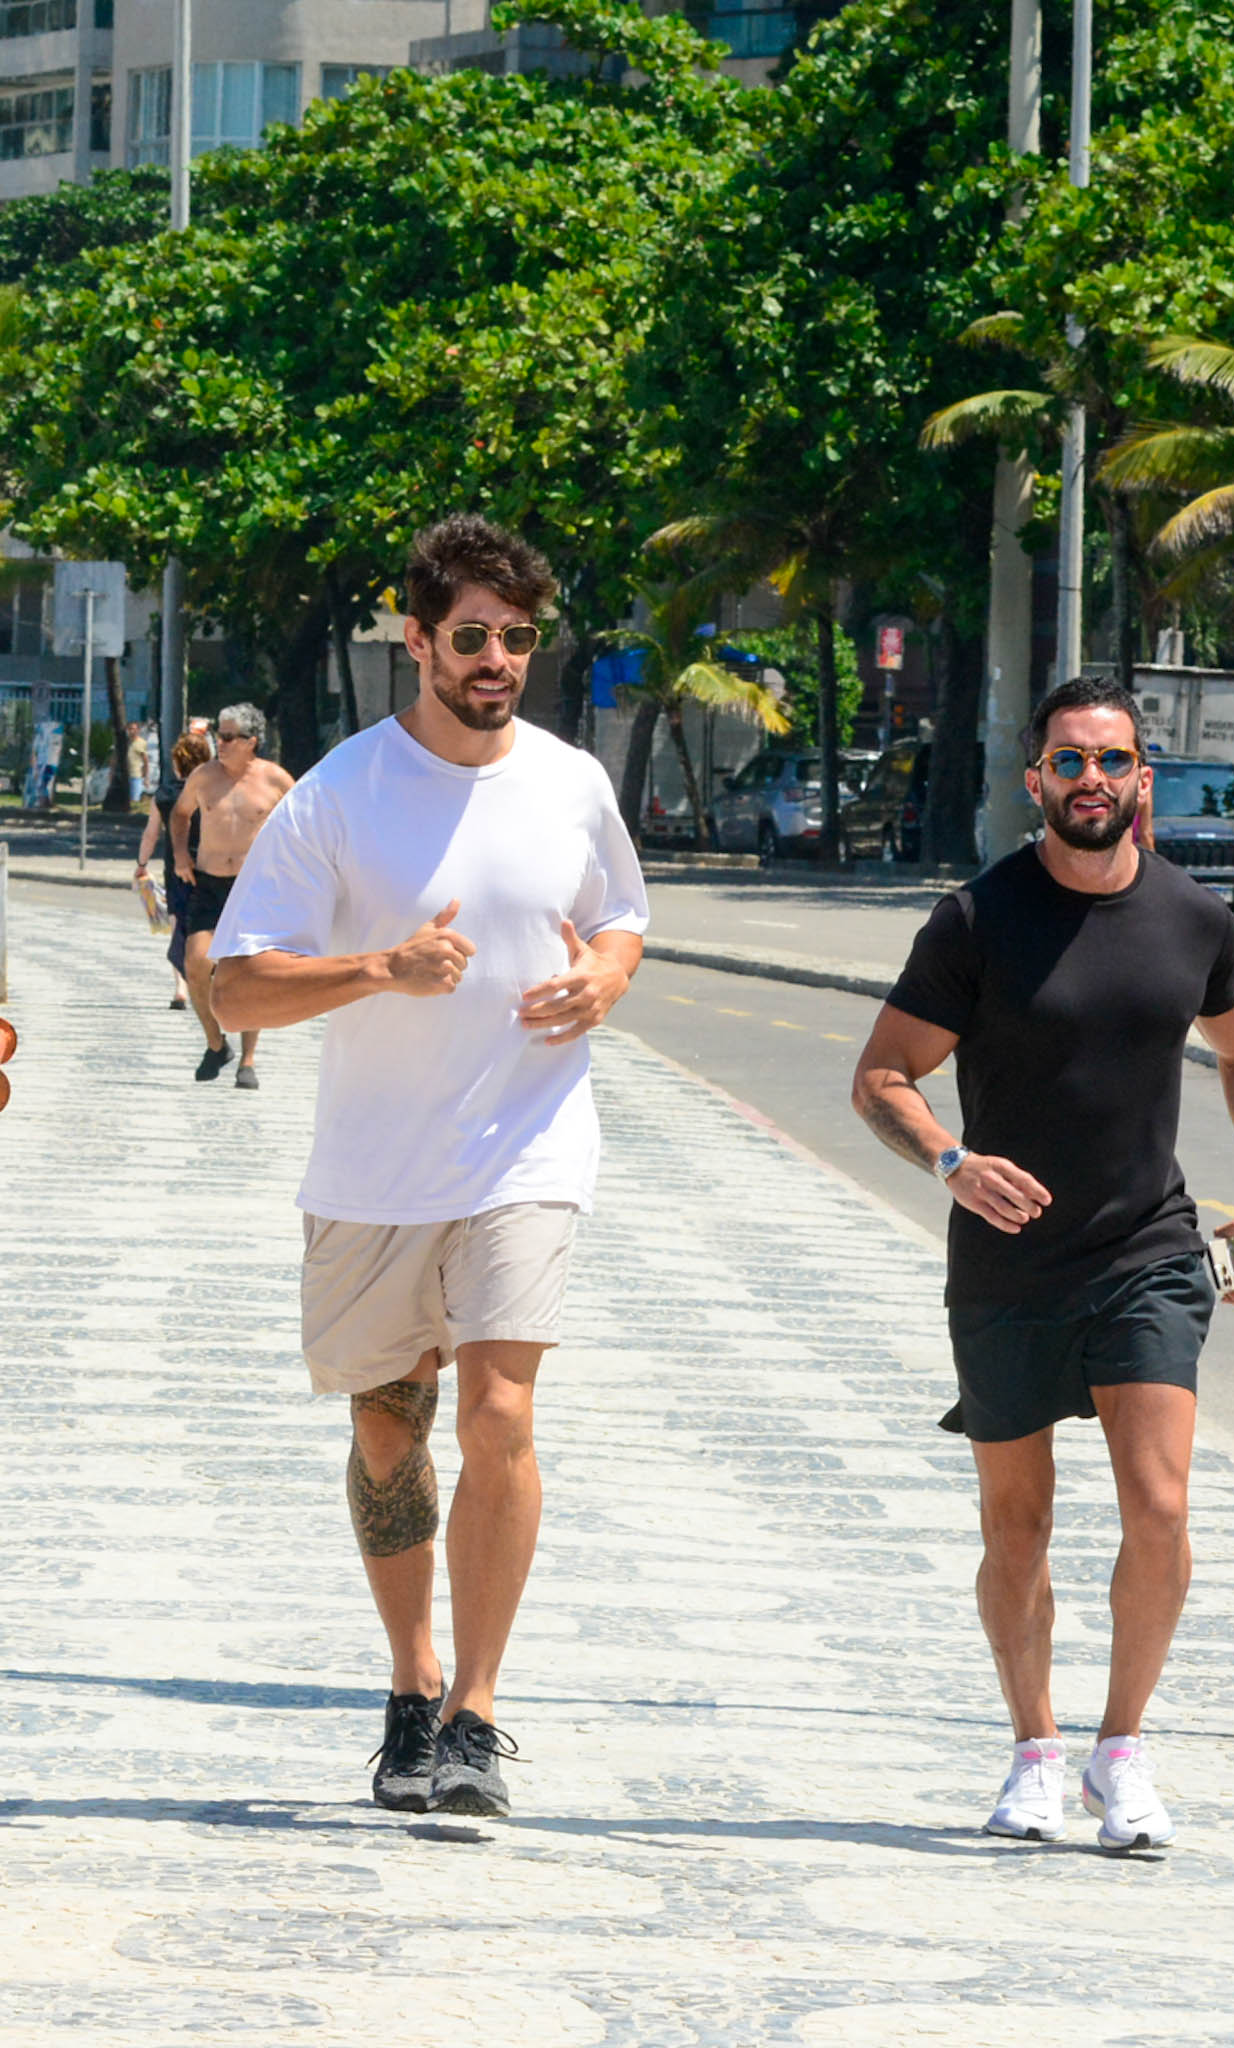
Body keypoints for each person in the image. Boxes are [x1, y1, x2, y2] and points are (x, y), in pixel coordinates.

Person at [208, 514, 648, 1818]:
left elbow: (622, 916)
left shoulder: (570, 782)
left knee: (502, 1412)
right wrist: (377, 969)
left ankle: (476, 1714)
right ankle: (412, 1684)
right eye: (472, 636)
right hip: (373, 1172)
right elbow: (233, 988)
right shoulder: (342, 791)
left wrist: (604, 978)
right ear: (417, 640)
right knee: (387, 1434)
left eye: (520, 637)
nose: (498, 659)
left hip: (531, 1147)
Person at [851, 677, 1234, 1853]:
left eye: (1109, 760)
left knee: (1158, 1505)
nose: (1088, 779)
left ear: (1139, 778)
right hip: (1004, 1260)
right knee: (1017, 1525)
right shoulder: (974, 919)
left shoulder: (1193, 917)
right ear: (1034, 779)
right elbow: (882, 1074)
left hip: (1146, 1248)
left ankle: (1121, 1748)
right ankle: (1034, 1749)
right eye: (1066, 761)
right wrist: (950, 1159)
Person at [170, 703, 294, 1088]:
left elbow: (305, 820)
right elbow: (179, 815)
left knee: (250, 973)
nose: (218, 744)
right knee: (195, 963)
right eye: (216, 736)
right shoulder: (203, 777)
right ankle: (215, 1042)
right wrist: (179, 854)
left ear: (250, 741)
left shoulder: (275, 780)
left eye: (226, 737)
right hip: (208, 882)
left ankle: (249, 1060)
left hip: (253, 887)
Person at [134, 730, 213, 1009]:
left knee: (178, 921)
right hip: (209, 867)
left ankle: (180, 986)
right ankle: (205, 980)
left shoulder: (166, 794)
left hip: (176, 868)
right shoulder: (214, 790)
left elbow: (150, 834)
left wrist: (141, 864)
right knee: (206, 924)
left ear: (178, 763)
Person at [126, 722, 148, 806]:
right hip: (124, 775)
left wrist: (146, 777)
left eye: (135, 729)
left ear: (138, 730)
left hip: (136, 776)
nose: (132, 731)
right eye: (130, 729)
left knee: (134, 800)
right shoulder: (125, 743)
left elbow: (145, 761)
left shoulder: (142, 743)